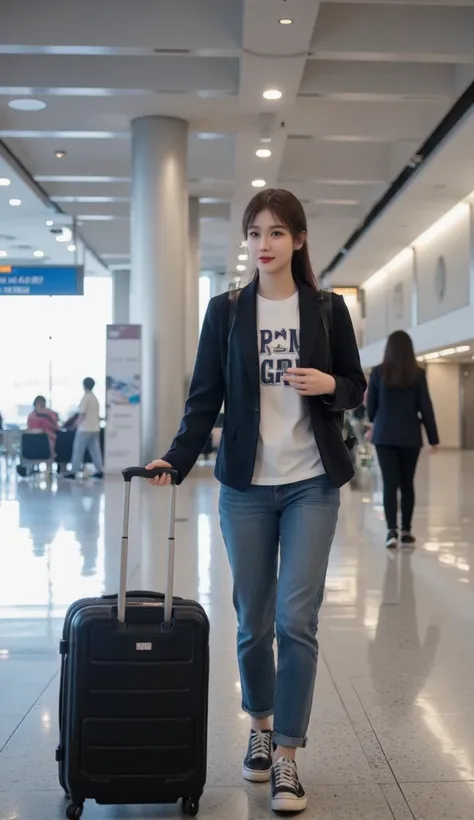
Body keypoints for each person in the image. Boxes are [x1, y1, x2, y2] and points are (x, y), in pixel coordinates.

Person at [146, 188, 366, 814]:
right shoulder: (226, 311)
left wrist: (331, 385)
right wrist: (177, 457)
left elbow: (355, 385)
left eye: (276, 233)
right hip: (245, 488)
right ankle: (261, 731)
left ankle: (288, 759)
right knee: (253, 623)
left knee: (297, 621)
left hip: (311, 485)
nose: (263, 244)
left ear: (298, 239)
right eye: (254, 233)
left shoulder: (327, 310)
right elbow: (204, 397)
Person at [366, 330, 439, 549]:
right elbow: (425, 406)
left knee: (390, 484)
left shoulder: (378, 372)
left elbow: (371, 408)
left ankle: (391, 533)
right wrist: (433, 438)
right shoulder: (418, 374)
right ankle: (406, 530)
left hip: (385, 435)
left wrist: (374, 418)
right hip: (410, 436)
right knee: (407, 484)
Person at [65, 378, 103, 479]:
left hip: (85, 428)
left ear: (84, 385)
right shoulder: (95, 398)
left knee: (78, 450)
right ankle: (100, 470)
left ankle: (74, 471)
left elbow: (82, 414)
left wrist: (75, 425)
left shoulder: (86, 397)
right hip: (95, 428)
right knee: (95, 451)